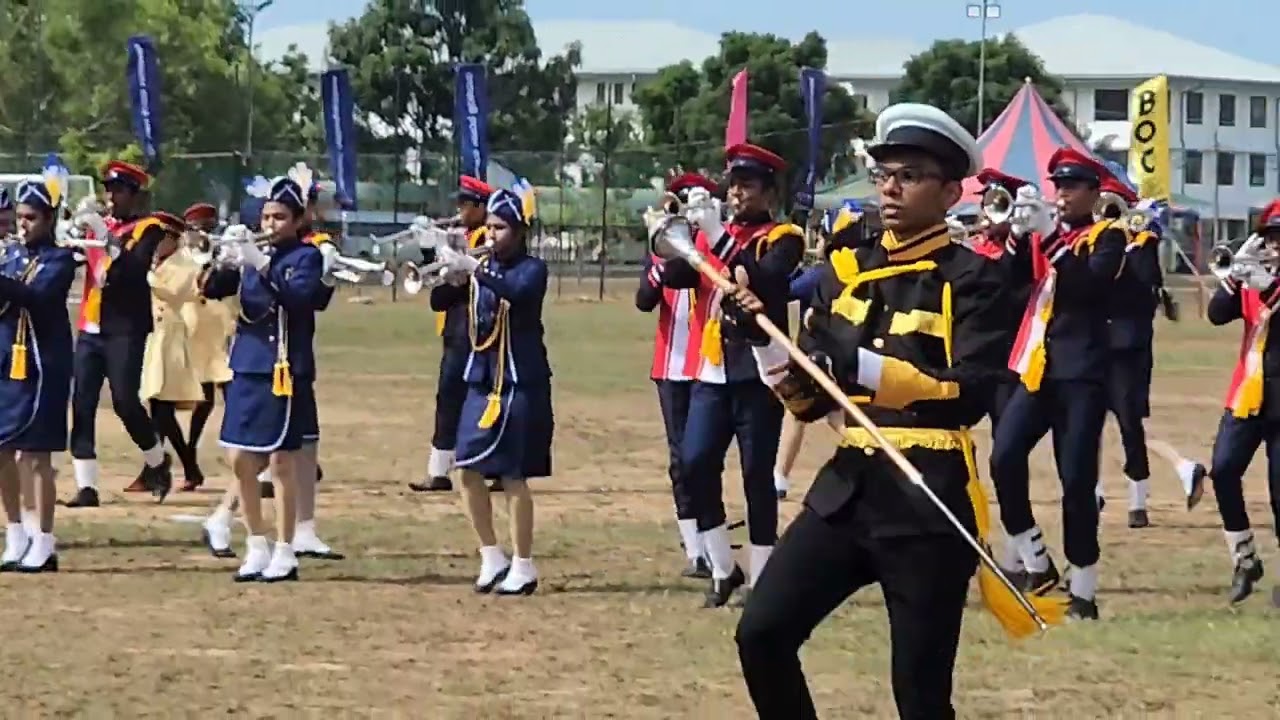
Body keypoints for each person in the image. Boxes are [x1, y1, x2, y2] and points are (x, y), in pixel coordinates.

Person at [730, 103, 1057, 720]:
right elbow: (806, 401)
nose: (890, 187)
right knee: (762, 635)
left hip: (928, 502)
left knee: (921, 698)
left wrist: (863, 369)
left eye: (909, 175)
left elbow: (972, 391)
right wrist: (762, 341)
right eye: (883, 174)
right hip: (848, 490)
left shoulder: (978, 280)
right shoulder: (844, 273)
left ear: (952, 190)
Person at [651, 143, 803, 608]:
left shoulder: (783, 236)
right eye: (733, 185)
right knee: (694, 464)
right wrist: (669, 235)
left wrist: (715, 236)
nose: (737, 194)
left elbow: (761, 278)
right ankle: (722, 566)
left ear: (769, 192)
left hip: (759, 371)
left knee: (757, 476)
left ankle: (762, 577)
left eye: (748, 186)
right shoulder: (710, 235)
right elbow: (675, 278)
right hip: (710, 369)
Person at [989, 148, 1127, 619]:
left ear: (1093, 192)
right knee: (1003, 456)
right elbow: (1004, 289)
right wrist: (1013, 237)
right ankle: (1035, 558)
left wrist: (1049, 238)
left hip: (1082, 373)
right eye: (1058, 186)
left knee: (1076, 481)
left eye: (1071, 187)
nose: (1062, 194)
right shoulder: (1041, 238)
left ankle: (1084, 589)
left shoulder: (1108, 236)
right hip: (1035, 368)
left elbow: (1086, 288)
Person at [201, 176, 328, 582]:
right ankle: (256, 543)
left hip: (283, 366)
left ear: (296, 220)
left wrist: (262, 264)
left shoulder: (305, 258)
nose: (270, 224)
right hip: (249, 364)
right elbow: (211, 289)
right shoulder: (253, 256)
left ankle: (286, 548)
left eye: (279, 217)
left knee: (282, 462)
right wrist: (222, 259)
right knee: (239, 458)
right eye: (266, 216)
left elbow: (299, 299)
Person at [430, 188, 552, 595]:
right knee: (464, 468)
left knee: (513, 476)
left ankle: (524, 562)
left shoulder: (533, 268)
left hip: (519, 380)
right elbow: (437, 300)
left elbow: (519, 293)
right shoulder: (481, 266)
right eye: (490, 227)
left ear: (518, 232)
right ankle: (490, 553)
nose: (492, 236)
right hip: (482, 379)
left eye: (500, 228)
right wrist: (450, 271)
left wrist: (476, 269)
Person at [64, 160, 173, 507]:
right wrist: (69, 234)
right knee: (82, 402)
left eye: (119, 190)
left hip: (125, 326)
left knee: (126, 401)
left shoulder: (148, 227)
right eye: (108, 190)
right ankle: (86, 486)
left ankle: (157, 461)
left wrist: (104, 235)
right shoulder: (102, 224)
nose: (111, 197)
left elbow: (134, 268)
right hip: (90, 323)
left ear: (134, 194)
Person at [1199, 200, 1280, 604]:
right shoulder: (1253, 277)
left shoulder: (1267, 284)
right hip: (1248, 392)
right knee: (1223, 470)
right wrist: (1234, 279)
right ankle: (1244, 556)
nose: (1276, 246)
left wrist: (1268, 286)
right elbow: (1216, 315)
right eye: (1271, 238)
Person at [638, 172, 717, 578]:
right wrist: (662, 261)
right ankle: (695, 549)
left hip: (707, 361)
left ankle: (712, 535)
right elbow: (643, 301)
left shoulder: (712, 244)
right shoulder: (661, 249)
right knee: (679, 460)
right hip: (670, 365)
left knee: (701, 457)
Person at [0, 176, 77, 573]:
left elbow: (37, 297)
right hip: (7, 364)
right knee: (2, 451)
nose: (22, 224)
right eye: (20, 217)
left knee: (35, 455)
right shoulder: (10, 256)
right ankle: (14, 530)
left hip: (43, 364)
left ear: (49, 219)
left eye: (31, 217)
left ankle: (44, 539)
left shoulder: (59, 260)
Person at [773, 200, 870, 502]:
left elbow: (788, 291)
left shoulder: (825, 272)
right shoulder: (862, 266)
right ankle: (779, 474)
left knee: (803, 412)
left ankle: (779, 477)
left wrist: (791, 265)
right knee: (827, 414)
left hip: (815, 351)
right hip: (845, 353)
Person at [410, 175, 500, 494]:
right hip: (455, 331)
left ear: (480, 206)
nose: (458, 211)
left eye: (464, 205)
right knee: (448, 398)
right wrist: (429, 256)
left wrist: (460, 269)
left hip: (483, 331)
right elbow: (438, 297)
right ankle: (438, 470)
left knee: (489, 398)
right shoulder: (457, 238)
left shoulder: (490, 238)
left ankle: (497, 466)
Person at [1095, 178, 1162, 528]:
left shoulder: (1141, 245)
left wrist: (1142, 241)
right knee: (1084, 424)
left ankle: (1138, 498)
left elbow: (1149, 280)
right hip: (1093, 342)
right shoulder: (1093, 242)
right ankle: (1091, 492)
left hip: (1127, 346)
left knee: (1128, 423)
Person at [138, 212, 206, 491]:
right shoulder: (158, 262)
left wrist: (146, 275)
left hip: (172, 337)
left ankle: (161, 469)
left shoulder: (185, 263)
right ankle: (178, 467)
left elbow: (174, 292)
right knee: (159, 408)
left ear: (173, 239)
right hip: (155, 337)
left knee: (161, 407)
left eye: (160, 238)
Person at [968, 168, 1037, 435]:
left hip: (1007, 357)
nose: (986, 212)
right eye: (985, 204)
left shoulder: (1027, 247)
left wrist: (1017, 235)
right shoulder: (976, 245)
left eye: (995, 204)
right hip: (976, 355)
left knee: (1005, 440)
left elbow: (1008, 281)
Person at [181, 203, 235, 491]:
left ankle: (257, 457)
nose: (202, 233)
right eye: (196, 227)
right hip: (196, 334)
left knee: (235, 399)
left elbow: (223, 285)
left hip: (223, 332)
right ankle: (189, 460)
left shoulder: (224, 254)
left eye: (208, 227)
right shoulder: (183, 258)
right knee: (202, 403)